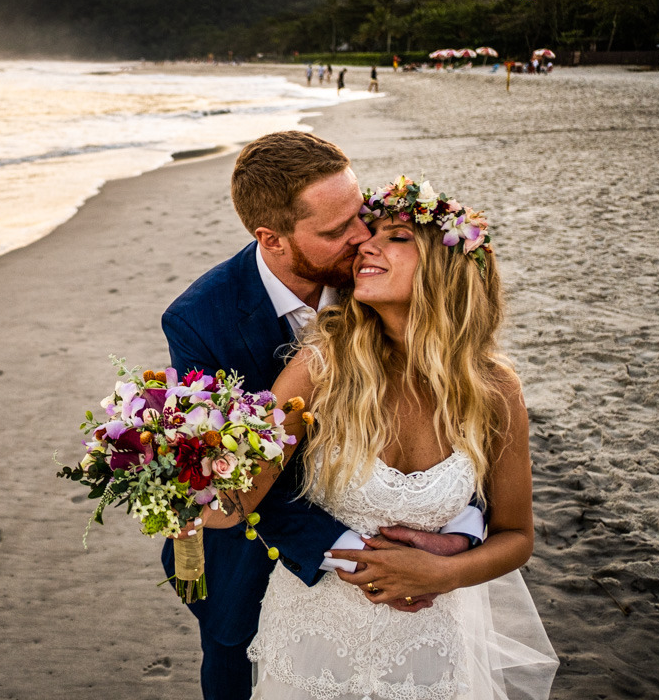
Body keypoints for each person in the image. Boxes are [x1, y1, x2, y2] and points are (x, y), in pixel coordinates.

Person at [161, 134, 484, 700]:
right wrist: (359, 554)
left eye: (359, 215)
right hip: (252, 550)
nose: (361, 238)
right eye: (337, 232)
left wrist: (458, 532)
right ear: (273, 239)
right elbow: (243, 473)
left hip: (404, 545)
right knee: (233, 659)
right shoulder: (199, 320)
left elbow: (451, 408)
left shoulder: (384, 279)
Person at [226, 176, 558, 699]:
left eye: (396, 236)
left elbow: (516, 536)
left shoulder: (494, 389)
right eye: (368, 232)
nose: (365, 245)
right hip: (313, 646)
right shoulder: (320, 367)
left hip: (432, 644)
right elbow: (238, 497)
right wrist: (177, 459)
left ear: (446, 265)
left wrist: (441, 573)